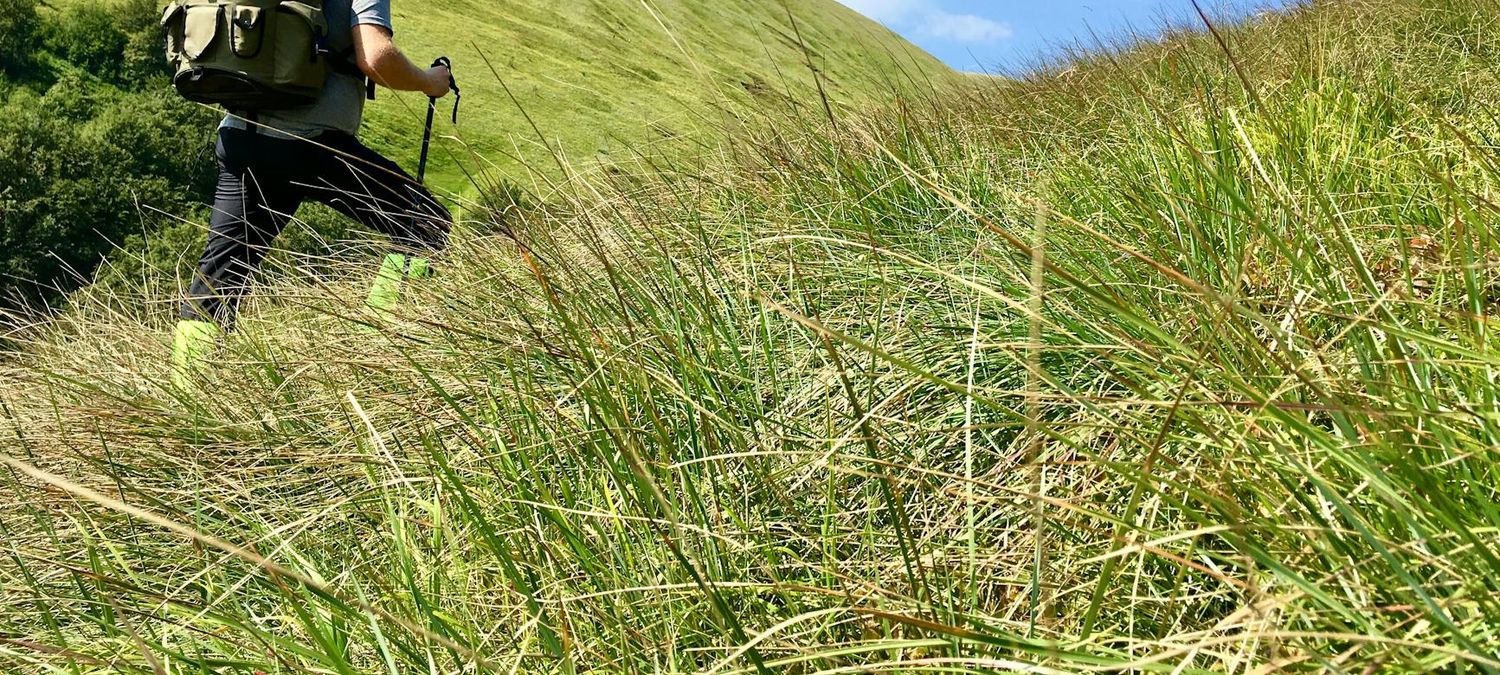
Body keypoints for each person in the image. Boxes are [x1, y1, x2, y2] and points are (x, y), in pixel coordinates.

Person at [172, 0, 454, 386]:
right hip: (311, 144)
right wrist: (428, 80)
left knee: (220, 274)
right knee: (425, 223)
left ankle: (189, 395)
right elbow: (375, 58)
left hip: (240, 136)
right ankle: (378, 366)